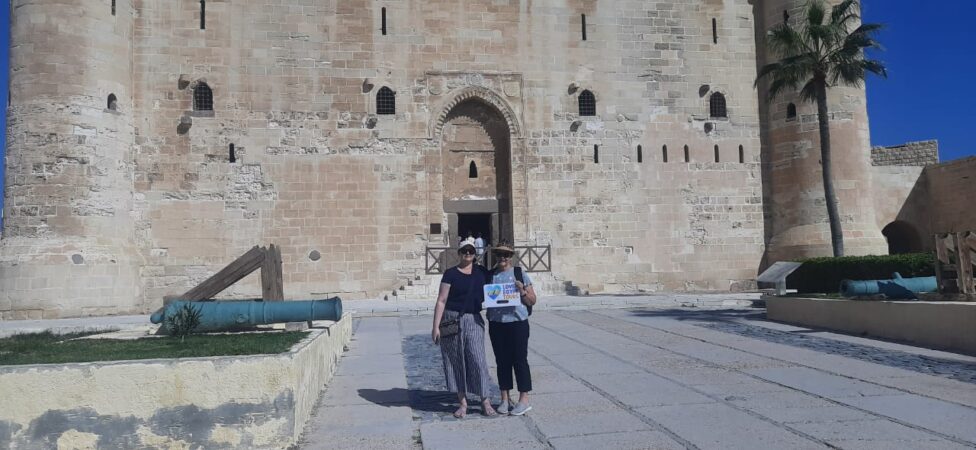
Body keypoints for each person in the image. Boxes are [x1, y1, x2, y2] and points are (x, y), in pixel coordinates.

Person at [432, 237, 497, 419]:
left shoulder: (482, 273)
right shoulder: (450, 273)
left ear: (475, 254)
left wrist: (518, 284)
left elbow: (499, 283)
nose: (468, 254)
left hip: (474, 319)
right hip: (451, 319)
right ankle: (463, 402)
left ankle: (485, 400)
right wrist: (435, 326)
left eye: (471, 251)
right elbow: (441, 300)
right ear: (459, 253)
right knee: (455, 360)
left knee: (477, 359)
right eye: (464, 251)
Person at [486, 243, 537, 416]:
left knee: (519, 360)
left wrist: (521, 290)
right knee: (502, 361)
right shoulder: (490, 275)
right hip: (497, 324)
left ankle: (524, 399)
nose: (503, 257)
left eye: (506, 254)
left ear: (511, 256)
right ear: (495, 256)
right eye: (499, 254)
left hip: (517, 323)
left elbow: (532, 300)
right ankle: (504, 399)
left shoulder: (519, 273)